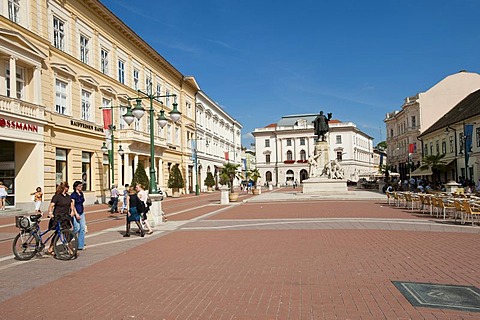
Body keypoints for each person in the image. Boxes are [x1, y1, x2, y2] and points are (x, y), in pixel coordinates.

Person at [46, 182, 75, 255]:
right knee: (57, 234)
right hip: (58, 217)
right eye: (67, 187)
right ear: (63, 188)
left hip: (65, 217)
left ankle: (51, 248)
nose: (68, 188)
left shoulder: (68, 196)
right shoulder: (57, 196)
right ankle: (70, 250)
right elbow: (51, 205)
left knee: (66, 233)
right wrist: (50, 213)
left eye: (68, 187)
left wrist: (72, 212)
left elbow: (71, 205)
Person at [70, 181, 86, 251]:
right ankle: (68, 238)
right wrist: (76, 214)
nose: (81, 187)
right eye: (80, 186)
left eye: (81, 186)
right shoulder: (73, 195)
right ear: (76, 187)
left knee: (82, 228)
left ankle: (80, 245)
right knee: (77, 228)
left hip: (81, 212)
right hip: (75, 213)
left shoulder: (81, 194)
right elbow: (72, 205)